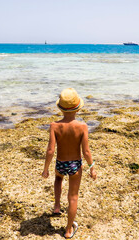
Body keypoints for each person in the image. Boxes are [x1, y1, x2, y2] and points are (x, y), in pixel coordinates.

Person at [42, 88, 97, 239]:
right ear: (78, 108)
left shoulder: (54, 126)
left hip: (60, 163)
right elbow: (86, 151)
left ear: (60, 108)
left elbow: (50, 150)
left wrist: (45, 169)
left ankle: (57, 206)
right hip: (75, 165)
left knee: (58, 179)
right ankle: (67, 230)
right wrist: (92, 168)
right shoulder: (82, 127)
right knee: (73, 197)